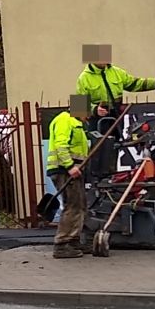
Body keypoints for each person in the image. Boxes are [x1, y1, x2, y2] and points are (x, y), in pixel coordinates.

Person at [77, 44, 155, 129]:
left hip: (117, 116)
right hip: (98, 121)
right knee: (102, 145)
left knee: (118, 144)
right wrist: (95, 110)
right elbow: (79, 105)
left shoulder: (117, 72)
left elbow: (134, 84)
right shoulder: (84, 78)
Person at [48, 95, 91, 259]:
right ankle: (62, 244)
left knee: (79, 205)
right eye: (87, 112)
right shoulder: (66, 120)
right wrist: (70, 166)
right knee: (73, 206)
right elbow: (60, 145)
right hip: (65, 170)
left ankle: (73, 241)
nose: (88, 117)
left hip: (70, 170)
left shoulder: (76, 123)